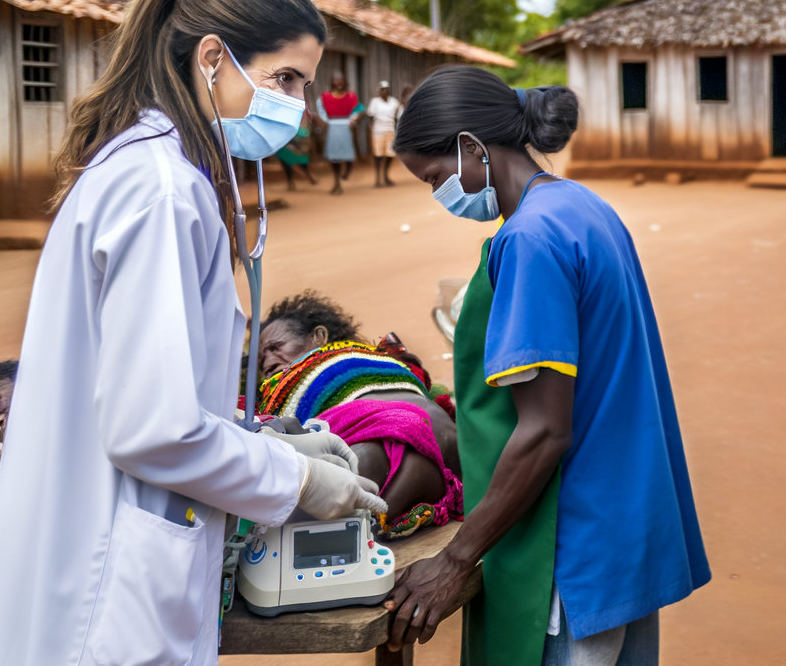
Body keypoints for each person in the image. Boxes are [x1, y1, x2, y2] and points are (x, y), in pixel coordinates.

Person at [0, 0, 385, 666]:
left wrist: (273, 446)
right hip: (107, 590)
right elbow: (152, 430)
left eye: (304, 85)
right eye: (284, 79)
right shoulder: (162, 191)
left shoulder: (152, 171)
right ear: (212, 58)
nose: (299, 106)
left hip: (95, 549)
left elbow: (151, 396)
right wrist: (295, 480)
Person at [384, 66, 708, 666]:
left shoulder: (528, 239)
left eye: (434, 177)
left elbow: (544, 431)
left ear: (472, 148)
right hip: (626, 521)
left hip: (573, 539)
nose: (438, 195)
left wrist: (455, 559)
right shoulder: (579, 205)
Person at [256, 292, 461, 538]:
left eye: (275, 347)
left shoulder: (345, 359)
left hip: (392, 441)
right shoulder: (383, 358)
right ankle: (412, 482)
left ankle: (391, 500)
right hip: (448, 440)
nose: (267, 361)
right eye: (261, 360)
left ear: (318, 337)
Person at [318, 70, 363, 195]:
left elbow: (357, 109)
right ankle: (337, 182)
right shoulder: (325, 97)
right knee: (334, 157)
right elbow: (321, 110)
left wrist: (353, 119)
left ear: (344, 81)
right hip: (333, 128)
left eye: (341, 79)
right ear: (332, 82)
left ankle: (346, 173)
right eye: (336, 79)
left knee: (349, 156)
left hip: (346, 127)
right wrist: (326, 121)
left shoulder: (351, 96)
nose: (338, 82)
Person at [368, 81, 403, 187]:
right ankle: (378, 178)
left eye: (386, 89)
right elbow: (370, 118)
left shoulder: (393, 101)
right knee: (378, 155)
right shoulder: (375, 102)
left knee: (390, 154)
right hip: (378, 131)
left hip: (390, 130)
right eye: (382, 89)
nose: (384, 91)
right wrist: (370, 132)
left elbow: (400, 112)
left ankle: (385, 175)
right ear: (379, 91)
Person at [276, 107, 318, 191]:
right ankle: (303, 176)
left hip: (297, 142)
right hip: (292, 142)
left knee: (290, 159)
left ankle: (294, 180)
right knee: (287, 158)